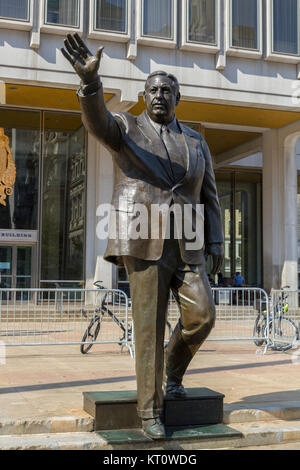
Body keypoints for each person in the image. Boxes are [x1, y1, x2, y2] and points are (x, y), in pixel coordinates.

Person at [61, 33, 224, 440]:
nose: (159, 96)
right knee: (148, 326)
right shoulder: (127, 128)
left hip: (188, 243)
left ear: (177, 97)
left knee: (202, 317)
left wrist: (217, 240)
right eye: (152, 90)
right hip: (142, 238)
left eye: (167, 91)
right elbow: (97, 122)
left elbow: (211, 197)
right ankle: (149, 411)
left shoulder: (196, 142)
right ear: (144, 95)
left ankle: (172, 371)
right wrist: (90, 86)